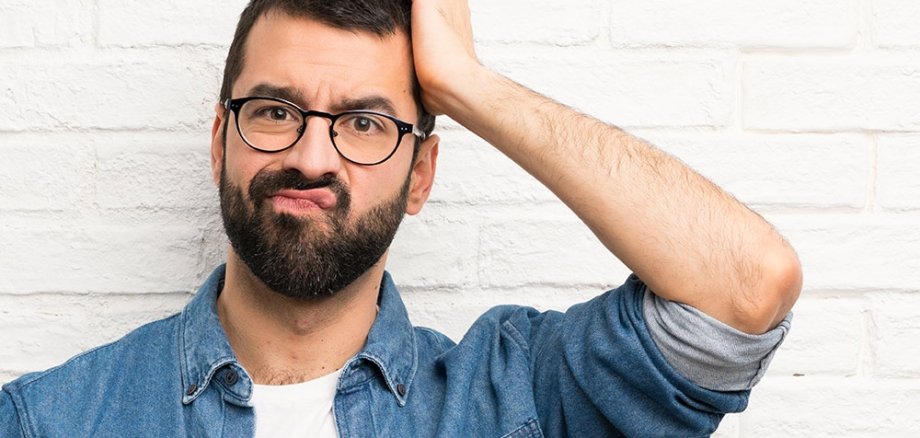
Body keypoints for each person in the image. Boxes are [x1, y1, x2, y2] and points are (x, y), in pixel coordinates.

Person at [0, 0, 802, 436]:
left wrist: (465, 85)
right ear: (220, 142)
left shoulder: (516, 401)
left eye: (364, 122)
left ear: (420, 173)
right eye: (276, 111)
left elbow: (744, 287)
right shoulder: (52, 419)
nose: (313, 157)